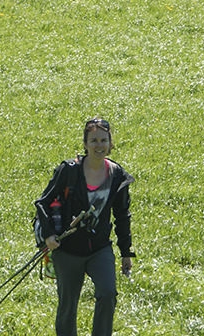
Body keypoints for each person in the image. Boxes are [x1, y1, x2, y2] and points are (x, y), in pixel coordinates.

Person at [34, 117, 135, 336]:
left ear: (110, 143)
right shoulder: (68, 171)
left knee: (108, 293)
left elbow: (122, 215)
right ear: (85, 144)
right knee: (68, 306)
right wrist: (49, 235)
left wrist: (126, 252)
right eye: (94, 140)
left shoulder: (117, 175)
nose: (99, 145)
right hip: (67, 249)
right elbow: (42, 203)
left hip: (99, 249)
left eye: (103, 140)